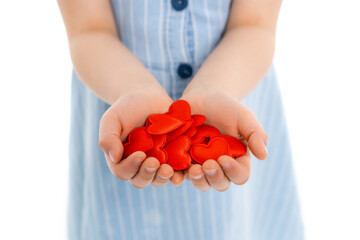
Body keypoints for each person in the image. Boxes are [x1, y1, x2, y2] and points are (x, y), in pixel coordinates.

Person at [58, 0, 304, 239]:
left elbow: (254, 24)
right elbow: (89, 30)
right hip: (116, 96)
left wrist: (217, 87)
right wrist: (133, 89)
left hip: (234, 94)